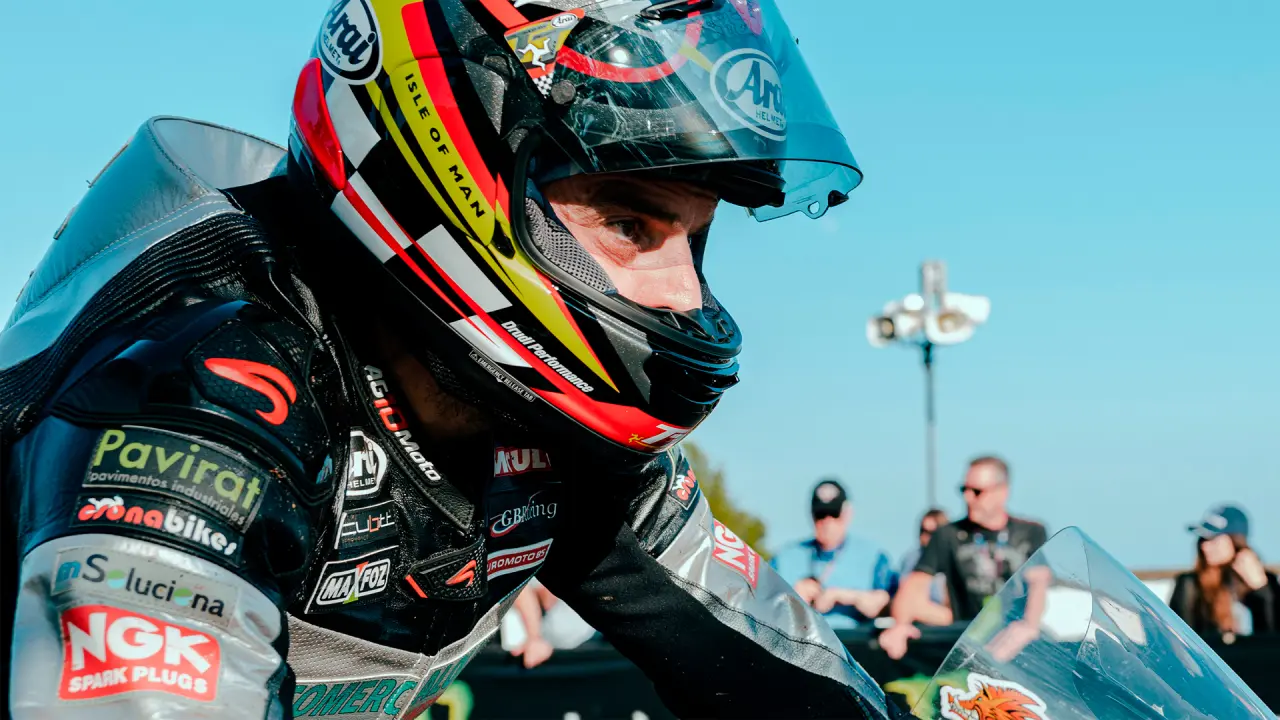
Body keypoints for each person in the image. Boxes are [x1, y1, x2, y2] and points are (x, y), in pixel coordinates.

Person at [1, 1, 899, 718]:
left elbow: (771, 658)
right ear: (455, 165)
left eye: (694, 240)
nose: (683, 296)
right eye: (630, 224)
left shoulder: (545, 418)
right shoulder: (193, 395)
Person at [880, 456, 1048, 660]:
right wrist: (900, 625)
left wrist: (1028, 625)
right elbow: (913, 587)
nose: (968, 498)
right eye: (964, 490)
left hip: (1018, 646)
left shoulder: (1031, 532)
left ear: (1002, 492)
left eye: (977, 491)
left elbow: (1039, 582)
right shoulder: (947, 534)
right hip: (967, 646)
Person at [771, 480, 895, 628]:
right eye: (821, 515)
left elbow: (887, 603)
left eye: (834, 514)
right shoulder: (785, 557)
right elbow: (762, 607)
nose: (827, 522)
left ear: (847, 514)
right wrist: (792, 598)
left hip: (852, 639)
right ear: (811, 515)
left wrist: (843, 596)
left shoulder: (874, 556)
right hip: (800, 639)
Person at [1169, 504, 1279, 639]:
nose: (1205, 547)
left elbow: (1272, 639)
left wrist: (1261, 589)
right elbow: (1179, 638)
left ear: (1235, 541)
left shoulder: (1268, 582)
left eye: (1213, 539)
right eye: (1203, 539)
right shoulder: (1190, 584)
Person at [503, 578, 597, 669]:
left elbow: (519, 588)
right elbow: (518, 586)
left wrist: (534, 638)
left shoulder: (571, 629)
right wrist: (534, 636)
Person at [895, 508, 951, 625]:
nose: (925, 537)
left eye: (931, 533)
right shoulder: (911, 559)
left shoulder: (955, 557)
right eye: (922, 531)